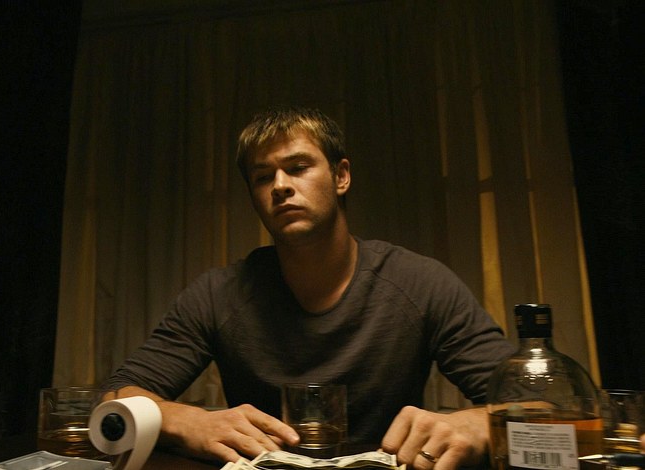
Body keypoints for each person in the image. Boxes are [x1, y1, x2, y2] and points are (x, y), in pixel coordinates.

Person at [102, 106, 517, 469]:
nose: (280, 185)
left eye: (298, 167)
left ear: (341, 176)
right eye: (262, 176)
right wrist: (183, 420)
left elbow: (537, 404)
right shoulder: (217, 293)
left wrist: (479, 423)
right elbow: (112, 399)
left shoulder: (420, 283)